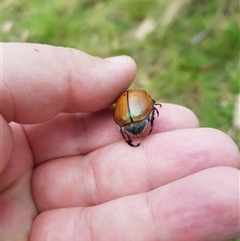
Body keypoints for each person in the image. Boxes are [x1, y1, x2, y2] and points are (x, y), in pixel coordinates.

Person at [1, 42, 239, 241]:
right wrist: (148, 117)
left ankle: (131, 134)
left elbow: (135, 115)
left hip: (126, 121)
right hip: (133, 119)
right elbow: (148, 109)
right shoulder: (143, 99)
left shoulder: (134, 105)